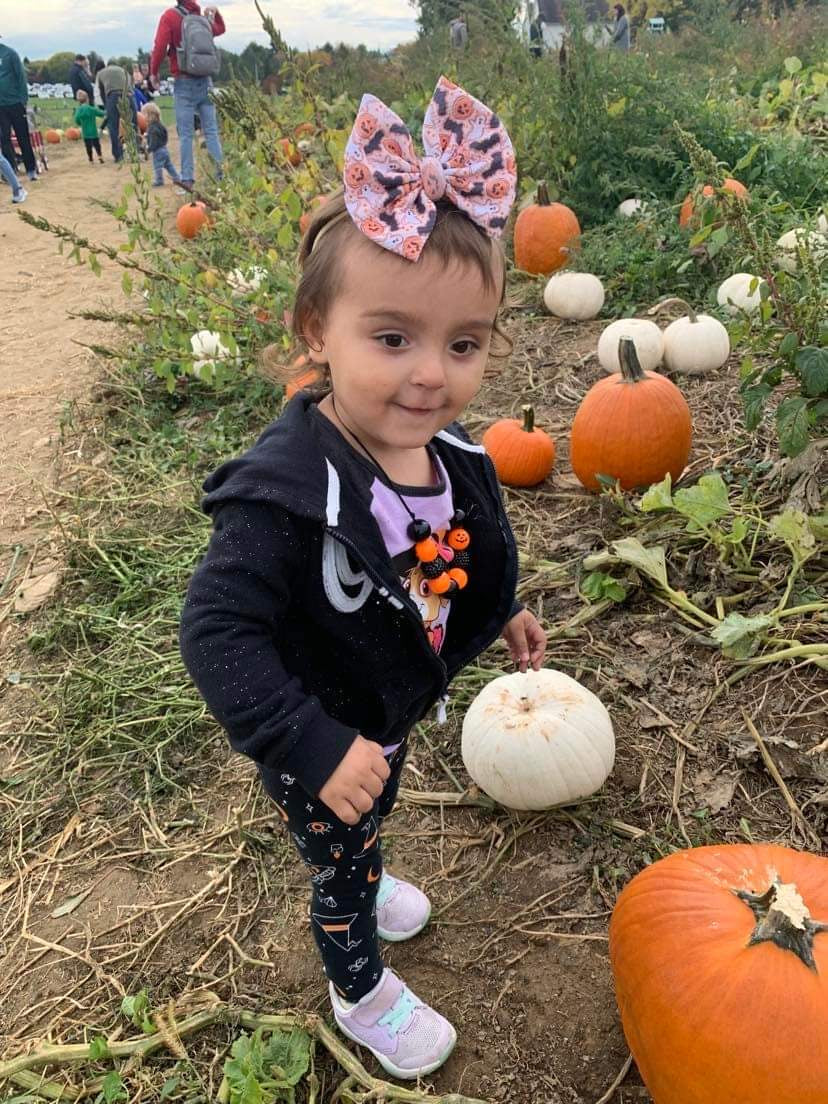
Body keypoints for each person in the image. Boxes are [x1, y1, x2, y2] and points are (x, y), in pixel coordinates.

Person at [179, 77, 545, 1081]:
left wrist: (498, 606)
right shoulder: (284, 497)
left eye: (462, 345)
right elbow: (216, 631)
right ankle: (358, 984)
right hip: (315, 725)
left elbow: (470, 543)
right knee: (338, 854)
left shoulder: (451, 452)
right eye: (393, 340)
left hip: (383, 702)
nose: (432, 374)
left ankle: (365, 861)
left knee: (372, 809)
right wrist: (307, 740)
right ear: (315, 333)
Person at [150, 1, 225, 191]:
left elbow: (160, 46)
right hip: (205, 80)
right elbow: (220, 29)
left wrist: (154, 72)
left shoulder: (170, 16)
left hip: (184, 82)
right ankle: (221, 177)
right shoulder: (201, 18)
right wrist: (215, 13)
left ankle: (187, 180)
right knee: (211, 131)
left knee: (186, 134)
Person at [0, 38, 37, 182]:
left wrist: (23, 99)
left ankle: (31, 169)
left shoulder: (10, 54)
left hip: (15, 102)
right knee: (4, 139)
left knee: (23, 136)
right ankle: (11, 172)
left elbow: (21, 76)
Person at [97, 59, 137, 163]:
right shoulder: (125, 72)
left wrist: (107, 106)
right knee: (132, 125)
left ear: (107, 65)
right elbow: (132, 87)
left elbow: (102, 92)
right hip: (128, 96)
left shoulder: (101, 73)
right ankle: (134, 153)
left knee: (113, 127)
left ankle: (118, 156)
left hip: (113, 96)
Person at [143, 101, 181, 186]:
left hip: (158, 151)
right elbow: (164, 134)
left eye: (144, 114)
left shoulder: (152, 128)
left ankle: (159, 180)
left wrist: (148, 149)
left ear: (150, 115)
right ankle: (176, 177)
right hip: (164, 148)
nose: (143, 117)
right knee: (169, 165)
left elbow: (153, 141)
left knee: (157, 166)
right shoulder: (160, 125)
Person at [73, 90, 105, 164]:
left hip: (85, 132)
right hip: (93, 131)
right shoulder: (91, 109)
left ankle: (91, 159)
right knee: (97, 145)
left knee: (88, 147)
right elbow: (100, 113)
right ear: (87, 99)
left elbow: (76, 119)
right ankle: (100, 156)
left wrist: (80, 124)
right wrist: (106, 111)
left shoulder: (79, 110)